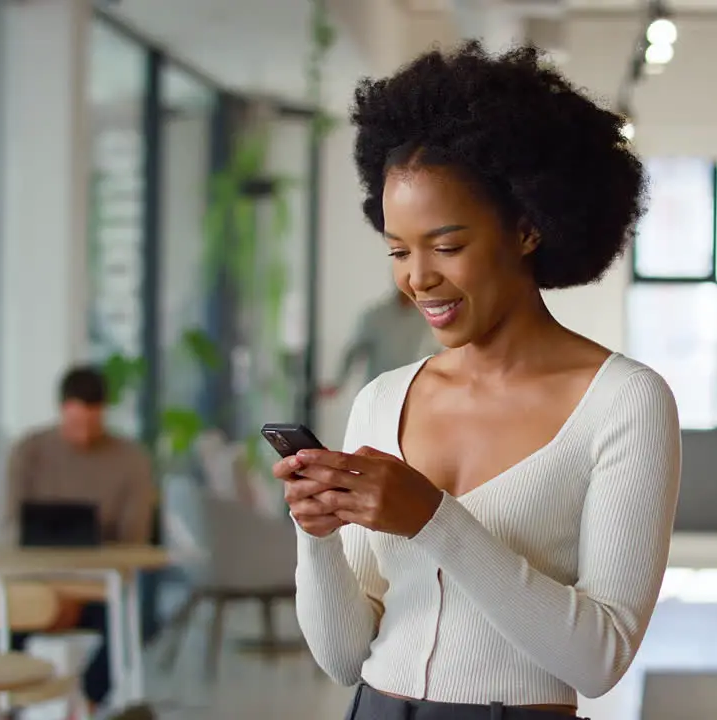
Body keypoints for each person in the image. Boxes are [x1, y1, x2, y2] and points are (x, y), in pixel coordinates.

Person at [274, 42, 682, 720]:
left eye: (448, 245)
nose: (418, 277)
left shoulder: (624, 402)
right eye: (399, 250)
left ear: (527, 227)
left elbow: (601, 659)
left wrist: (434, 521)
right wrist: (313, 539)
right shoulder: (382, 401)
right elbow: (344, 657)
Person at [4, 365, 157, 711]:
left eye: (92, 423)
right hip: (36, 585)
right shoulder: (29, 452)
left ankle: (86, 702)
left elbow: (134, 540)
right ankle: (6, 708)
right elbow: (11, 529)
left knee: (139, 617)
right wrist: (55, 588)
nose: (84, 436)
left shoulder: (131, 460)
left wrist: (82, 587)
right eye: (75, 424)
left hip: (99, 589)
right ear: (62, 412)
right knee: (1, 619)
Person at [319, 289, 438, 398]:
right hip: (379, 395)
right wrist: (338, 383)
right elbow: (354, 351)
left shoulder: (427, 319)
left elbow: (437, 353)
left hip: (414, 395)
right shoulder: (376, 315)